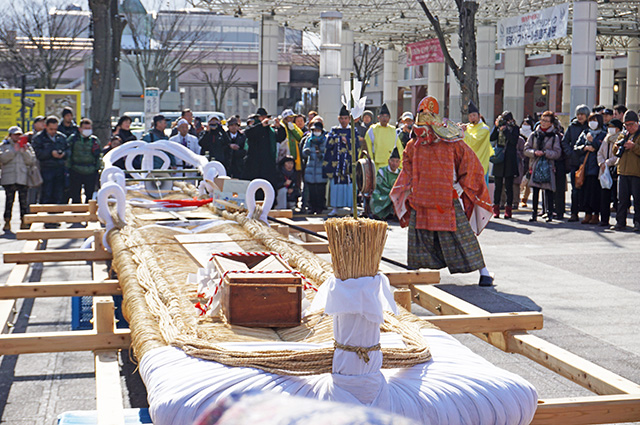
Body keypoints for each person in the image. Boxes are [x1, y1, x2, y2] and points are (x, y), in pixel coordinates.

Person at [390, 96, 494, 287]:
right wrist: (406, 189)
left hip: (447, 197)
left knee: (463, 236)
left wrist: (462, 185)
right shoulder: (413, 146)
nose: (424, 121)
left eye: (428, 116)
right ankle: (414, 273)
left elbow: (471, 165)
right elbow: (407, 170)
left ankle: (484, 271)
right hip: (421, 199)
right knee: (419, 238)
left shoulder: (452, 143)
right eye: (422, 116)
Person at [524, 111, 562, 222]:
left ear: (551, 123)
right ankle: (534, 213)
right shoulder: (534, 134)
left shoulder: (554, 136)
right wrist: (535, 152)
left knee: (548, 191)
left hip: (548, 165)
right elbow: (526, 149)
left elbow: (557, 153)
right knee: (535, 191)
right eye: (542, 120)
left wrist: (546, 153)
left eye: (546, 121)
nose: (543, 123)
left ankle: (549, 212)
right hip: (535, 165)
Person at [323, 106, 360, 216]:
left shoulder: (353, 130)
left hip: (349, 163)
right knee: (336, 186)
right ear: (339, 119)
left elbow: (357, 144)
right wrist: (339, 140)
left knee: (350, 186)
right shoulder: (334, 130)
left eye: (346, 118)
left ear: (349, 119)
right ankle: (334, 208)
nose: (344, 120)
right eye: (342, 118)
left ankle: (352, 208)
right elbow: (328, 143)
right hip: (337, 164)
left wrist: (347, 141)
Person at [1, 127, 36, 231]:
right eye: (15, 134)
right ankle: (7, 221)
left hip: (23, 177)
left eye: (19, 135)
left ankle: (24, 221)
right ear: (10, 135)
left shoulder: (26, 146)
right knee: (9, 201)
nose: (17, 137)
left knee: (23, 201)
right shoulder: (4, 145)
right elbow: (2, 158)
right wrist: (13, 151)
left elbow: (31, 160)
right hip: (9, 177)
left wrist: (24, 151)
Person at [574, 113, 606, 224]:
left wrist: (593, 142)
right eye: (591, 120)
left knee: (595, 193)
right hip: (585, 167)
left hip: (597, 167)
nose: (592, 123)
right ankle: (587, 214)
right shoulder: (584, 133)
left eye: (595, 120)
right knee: (585, 193)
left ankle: (596, 214)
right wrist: (584, 147)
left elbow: (602, 148)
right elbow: (576, 147)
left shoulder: (603, 134)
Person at [243, 107, 285, 193]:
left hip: (268, 162)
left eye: (265, 117)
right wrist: (261, 125)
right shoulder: (254, 127)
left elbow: (281, 137)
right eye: (262, 117)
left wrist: (279, 127)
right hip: (254, 163)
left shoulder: (271, 131)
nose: (264, 118)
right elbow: (248, 133)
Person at [31, 116, 69, 207]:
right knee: (46, 194)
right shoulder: (39, 138)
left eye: (55, 129)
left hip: (59, 169)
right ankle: (46, 219)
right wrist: (50, 153)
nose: (53, 131)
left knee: (58, 194)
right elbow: (36, 153)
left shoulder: (61, 137)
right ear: (45, 126)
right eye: (51, 129)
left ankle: (56, 218)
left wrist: (64, 154)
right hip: (45, 169)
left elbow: (68, 150)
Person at [612, 110, 640, 231]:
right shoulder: (623, 134)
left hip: (637, 172)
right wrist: (617, 146)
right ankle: (620, 222)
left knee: (638, 200)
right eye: (626, 125)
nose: (629, 127)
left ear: (637, 123)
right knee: (622, 199)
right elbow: (614, 151)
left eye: (631, 124)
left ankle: (638, 222)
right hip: (623, 171)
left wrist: (634, 147)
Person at [562, 104, 591, 222]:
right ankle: (574, 213)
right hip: (575, 162)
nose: (580, 117)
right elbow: (564, 142)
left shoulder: (590, 127)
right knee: (575, 189)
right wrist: (570, 153)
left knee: (587, 189)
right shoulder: (572, 127)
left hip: (588, 161)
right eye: (578, 114)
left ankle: (588, 213)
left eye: (582, 114)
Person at [490, 111, 520, 219]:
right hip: (500, 159)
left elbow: (513, 141)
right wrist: (496, 126)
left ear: (511, 120)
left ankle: (508, 209)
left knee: (509, 186)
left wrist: (506, 131)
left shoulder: (515, 128)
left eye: (507, 120)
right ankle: (496, 209)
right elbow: (492, 138)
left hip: (509, 160)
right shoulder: (499, 127)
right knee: (498, 186)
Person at [67, 118, 102, 204]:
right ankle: (76, 212)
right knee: (75, 194)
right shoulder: (73, 139)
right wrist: (67, 168)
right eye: (85, 128)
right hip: (75, 169)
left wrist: (98, 169)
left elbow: (98, 156)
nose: (87, 130)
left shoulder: (94, 140)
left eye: (89, 128)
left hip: (91, 170)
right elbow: (68, 154)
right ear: (80, 129)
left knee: (89, 194)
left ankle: (88, 212)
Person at [597, 119, 623, 226]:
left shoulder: (620, 138)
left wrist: (608, 162)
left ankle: (619, 220)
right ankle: (604, 219)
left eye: (612, 127)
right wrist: (601, 163)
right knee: (604, 196)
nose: (610, 129)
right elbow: (600, 153)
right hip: (604, 170)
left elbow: (618, 155)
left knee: (617, 196)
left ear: (618, 128)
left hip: (615, 169)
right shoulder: (606, 138)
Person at [463, 101, 493, 182]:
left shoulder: (484, 128)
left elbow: (474, 142)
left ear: (479, 116)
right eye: (470, 116)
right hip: (469, 163)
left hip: (480, 162)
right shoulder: (468, 127)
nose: (472, 117)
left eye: (474, 115)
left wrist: (464, 132)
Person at [302, 121, 327, 214]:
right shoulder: (309, 139)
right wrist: (306, 151)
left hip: (321, 168)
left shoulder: (325, 139)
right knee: (311, 189)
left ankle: (320, 207)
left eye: (318, 130)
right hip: (311, 168)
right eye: (314, 130)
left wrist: (321, 154)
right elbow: (303, 151)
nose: (316, 132)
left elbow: (328, 154)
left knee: (320, 190)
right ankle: (312, 207)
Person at [365, 103, 400, 170]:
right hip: (377, 164)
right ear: (378, 117)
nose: (384, 119)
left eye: (386, 116)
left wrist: (400, 165)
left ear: (389, 118)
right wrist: (370, 164)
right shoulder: (373, 129)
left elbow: (399, 147)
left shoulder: (393, 130)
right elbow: (368, 147)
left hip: (392, 165)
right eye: (382, 116)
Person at [371, 147, 401, 220]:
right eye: (392, 161)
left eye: (397, 161)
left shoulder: (401, 172)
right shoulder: (382, 171)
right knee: (377, 197)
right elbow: (380, 185)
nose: (394, 164)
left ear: (400, 162)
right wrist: (393, 192)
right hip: (383, 192)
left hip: (396, 193)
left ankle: (396, 214)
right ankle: (383, 214)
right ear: (388, 161)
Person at [518, 117, 534, 208]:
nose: (525, 125)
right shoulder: (518, 132)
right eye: (524, 123)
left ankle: (524, 199)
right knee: (519, 181)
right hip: (520, 159)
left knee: (527, 180)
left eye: (528, 124)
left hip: (529, 159)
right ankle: (517, 197)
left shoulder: (532, 134)